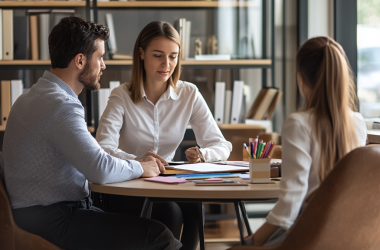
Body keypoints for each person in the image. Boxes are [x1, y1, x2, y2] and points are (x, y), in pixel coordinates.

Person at [2, 17, 181, 250]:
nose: (104, 65)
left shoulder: (32, 96)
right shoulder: (60, 105)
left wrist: (134, 161)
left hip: (36, 214)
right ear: (80, 60)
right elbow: (99, 169)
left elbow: (92, 156)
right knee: (158, 236)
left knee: (163, 216)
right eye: (100, 57)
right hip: (52, 219)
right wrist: (141, 167)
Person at [95, 21, 232, 250]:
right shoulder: (122, 96)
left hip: (167, 184)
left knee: (195, 208)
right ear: (141, 53)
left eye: (173, 56)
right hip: (128, 186)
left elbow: (222, 145)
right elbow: (102, 147)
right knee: (170, 211)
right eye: (158, 55)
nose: (166, 64)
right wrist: (138, 161)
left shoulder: (188, 94)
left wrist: (203, 154)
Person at [249, 36, 367, 246]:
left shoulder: (299, 124)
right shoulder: (358, 123)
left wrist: (251, 241)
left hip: (311, 237)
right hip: (350, 235)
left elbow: (291, 202)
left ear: (300, 79)